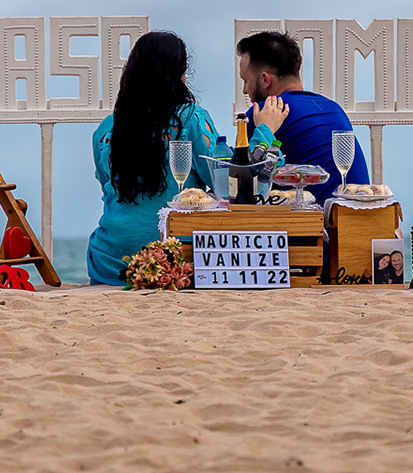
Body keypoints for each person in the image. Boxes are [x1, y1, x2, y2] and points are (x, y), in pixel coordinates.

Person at [87, 30, 224, 287]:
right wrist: (264, 133)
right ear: (179, 75)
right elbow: (222, 182)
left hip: (109, 260)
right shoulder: (191, 119)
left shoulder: (107, 130)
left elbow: (108, 189)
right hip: (173, 258)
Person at [236, 29, 370, 204]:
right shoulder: (333, 109)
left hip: (310, 219)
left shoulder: (261, 113)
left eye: (246, 81)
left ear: (265, 80)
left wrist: (263, 129)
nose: (244, 90)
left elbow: (239, 185)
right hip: (358, 212)